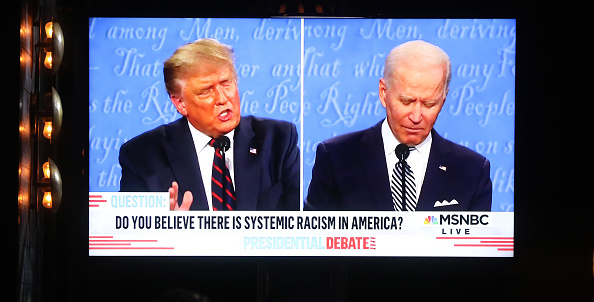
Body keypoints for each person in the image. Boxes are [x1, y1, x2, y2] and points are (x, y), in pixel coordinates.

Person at [304, 40, 492, 211]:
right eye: (407, 101)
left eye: (429, 104)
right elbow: (316, 241)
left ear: (443, 100)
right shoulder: (336, 158)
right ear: (384, 92)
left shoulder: (472, 170)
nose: (417, 116)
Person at [119, 38, 300, 211]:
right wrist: (166, 232)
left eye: (226, 83)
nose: (222, 99)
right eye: (206, 91)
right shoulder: (142, 156)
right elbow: (128, 236)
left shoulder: (278, 140)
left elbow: (299, 226)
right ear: (180, 103)